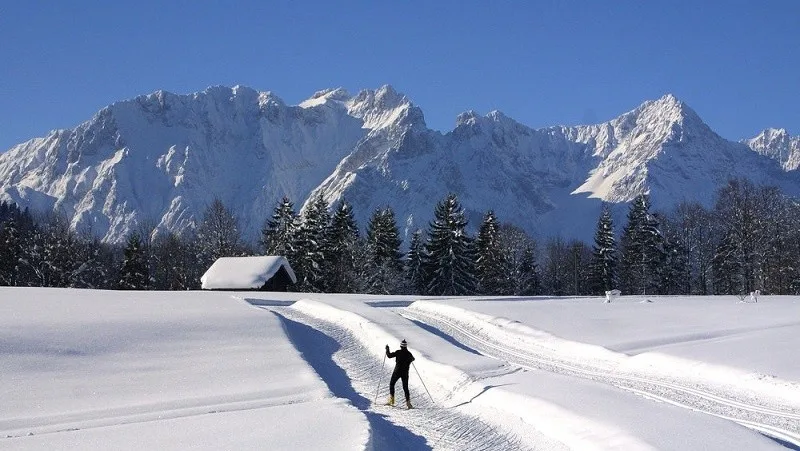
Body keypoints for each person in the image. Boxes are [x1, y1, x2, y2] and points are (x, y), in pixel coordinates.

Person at [385, 339, 415, 408]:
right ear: (406, 346)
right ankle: (408, 403)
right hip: (405, 373)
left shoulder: (398, 352)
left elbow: (389, 355)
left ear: (401, 346)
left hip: (397, 371)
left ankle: (391, 401)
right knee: (405, 387)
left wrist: (387, 349)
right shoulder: (409, 354)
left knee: (392, 384)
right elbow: (413, 359)